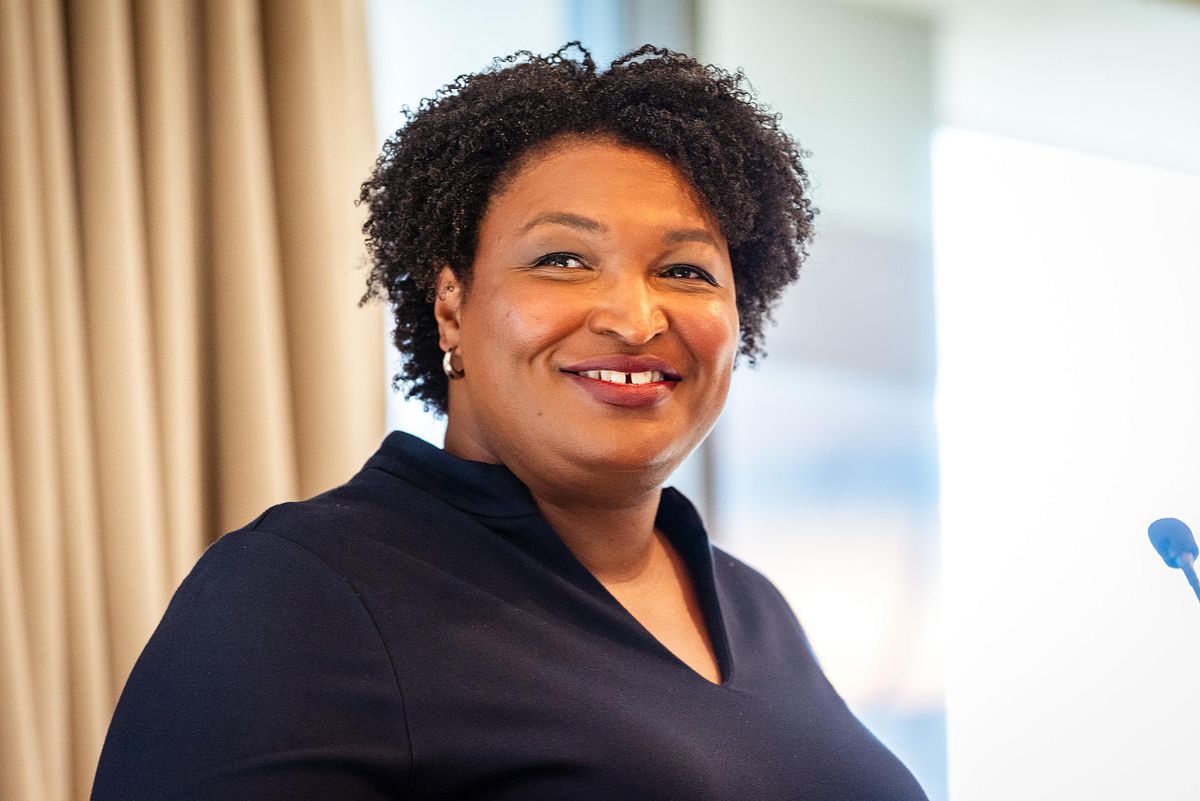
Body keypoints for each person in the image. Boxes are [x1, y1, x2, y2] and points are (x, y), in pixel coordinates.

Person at [91, 44, 929, 800]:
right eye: (562, 260)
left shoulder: (753, 605)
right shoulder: (300, 594)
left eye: (684, 269)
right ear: (451, 304)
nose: (636, 319)